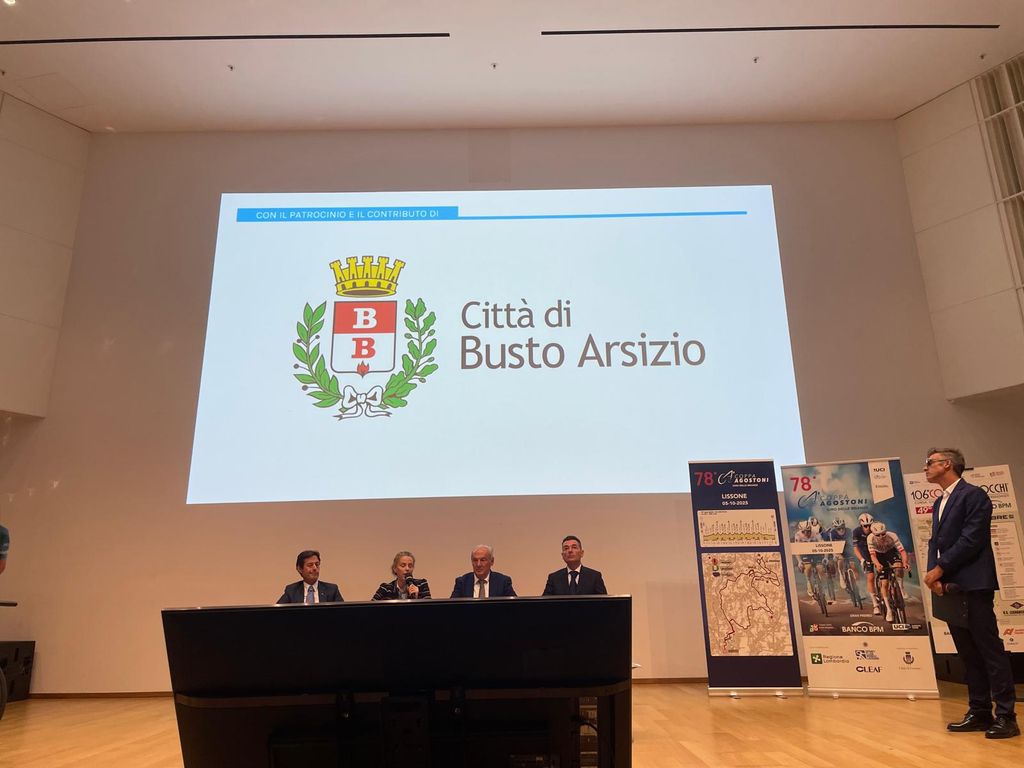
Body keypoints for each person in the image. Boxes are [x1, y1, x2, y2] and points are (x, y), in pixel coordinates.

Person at [922, 448, 1018, 739]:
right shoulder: (939, 501)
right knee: (968, 652)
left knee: (989, 650)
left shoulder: (974, 495)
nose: (925, 468)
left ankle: (1006, 716)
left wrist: (940, 569)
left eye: (930, 463)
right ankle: (979, 711)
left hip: (974, 584)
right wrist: (932, 574)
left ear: (947, 464)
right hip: (949, 586)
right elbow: (935, 542)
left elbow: (972, 539)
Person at [866, 521, 909, 623]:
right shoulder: (870, 538)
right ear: (873, 534)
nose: (881, 536)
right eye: (878, 535)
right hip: (879, 555)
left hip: (890, 552)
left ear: (886, 531)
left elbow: (902, 551)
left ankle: (900, 587)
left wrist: (905, 562)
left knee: (898, 567)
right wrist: (877, 564)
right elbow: (872, 555)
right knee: (884, 583)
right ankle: (889, 610)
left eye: (883, 534)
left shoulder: (892, 536)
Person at [543, 535, 608, 595]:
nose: (570, 551)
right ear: (562, 555)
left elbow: (604, 601)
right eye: (566, 548)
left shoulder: (594, 577)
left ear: (582, 553)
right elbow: (544, 602)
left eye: (574, 547)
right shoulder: (554, 578)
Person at [277, 550, 344, 604]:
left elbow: (343, 612)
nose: (315, 568)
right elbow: (277, 612)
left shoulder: (332, 590)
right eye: (310, 565)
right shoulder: (292, 591)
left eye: (317, 564)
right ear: (300, 569)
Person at [450, 545, 516, 598]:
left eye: (483, 560)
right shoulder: (462, 582)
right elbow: (451, 606)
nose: (478, 564)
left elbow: (516, 605)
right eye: (475, 560)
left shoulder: (503, 582)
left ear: (492, 561)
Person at [851, 512, 883, 615]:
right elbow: (855, 548)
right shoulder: (856, 532)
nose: (868, 528)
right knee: (870, 577)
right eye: (865, 526)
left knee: (882, 573)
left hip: (876, 551)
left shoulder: (875, 528)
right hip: (864, 553)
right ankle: (875, 604)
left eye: (869, 525)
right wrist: (861, 559)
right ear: (861, 525)